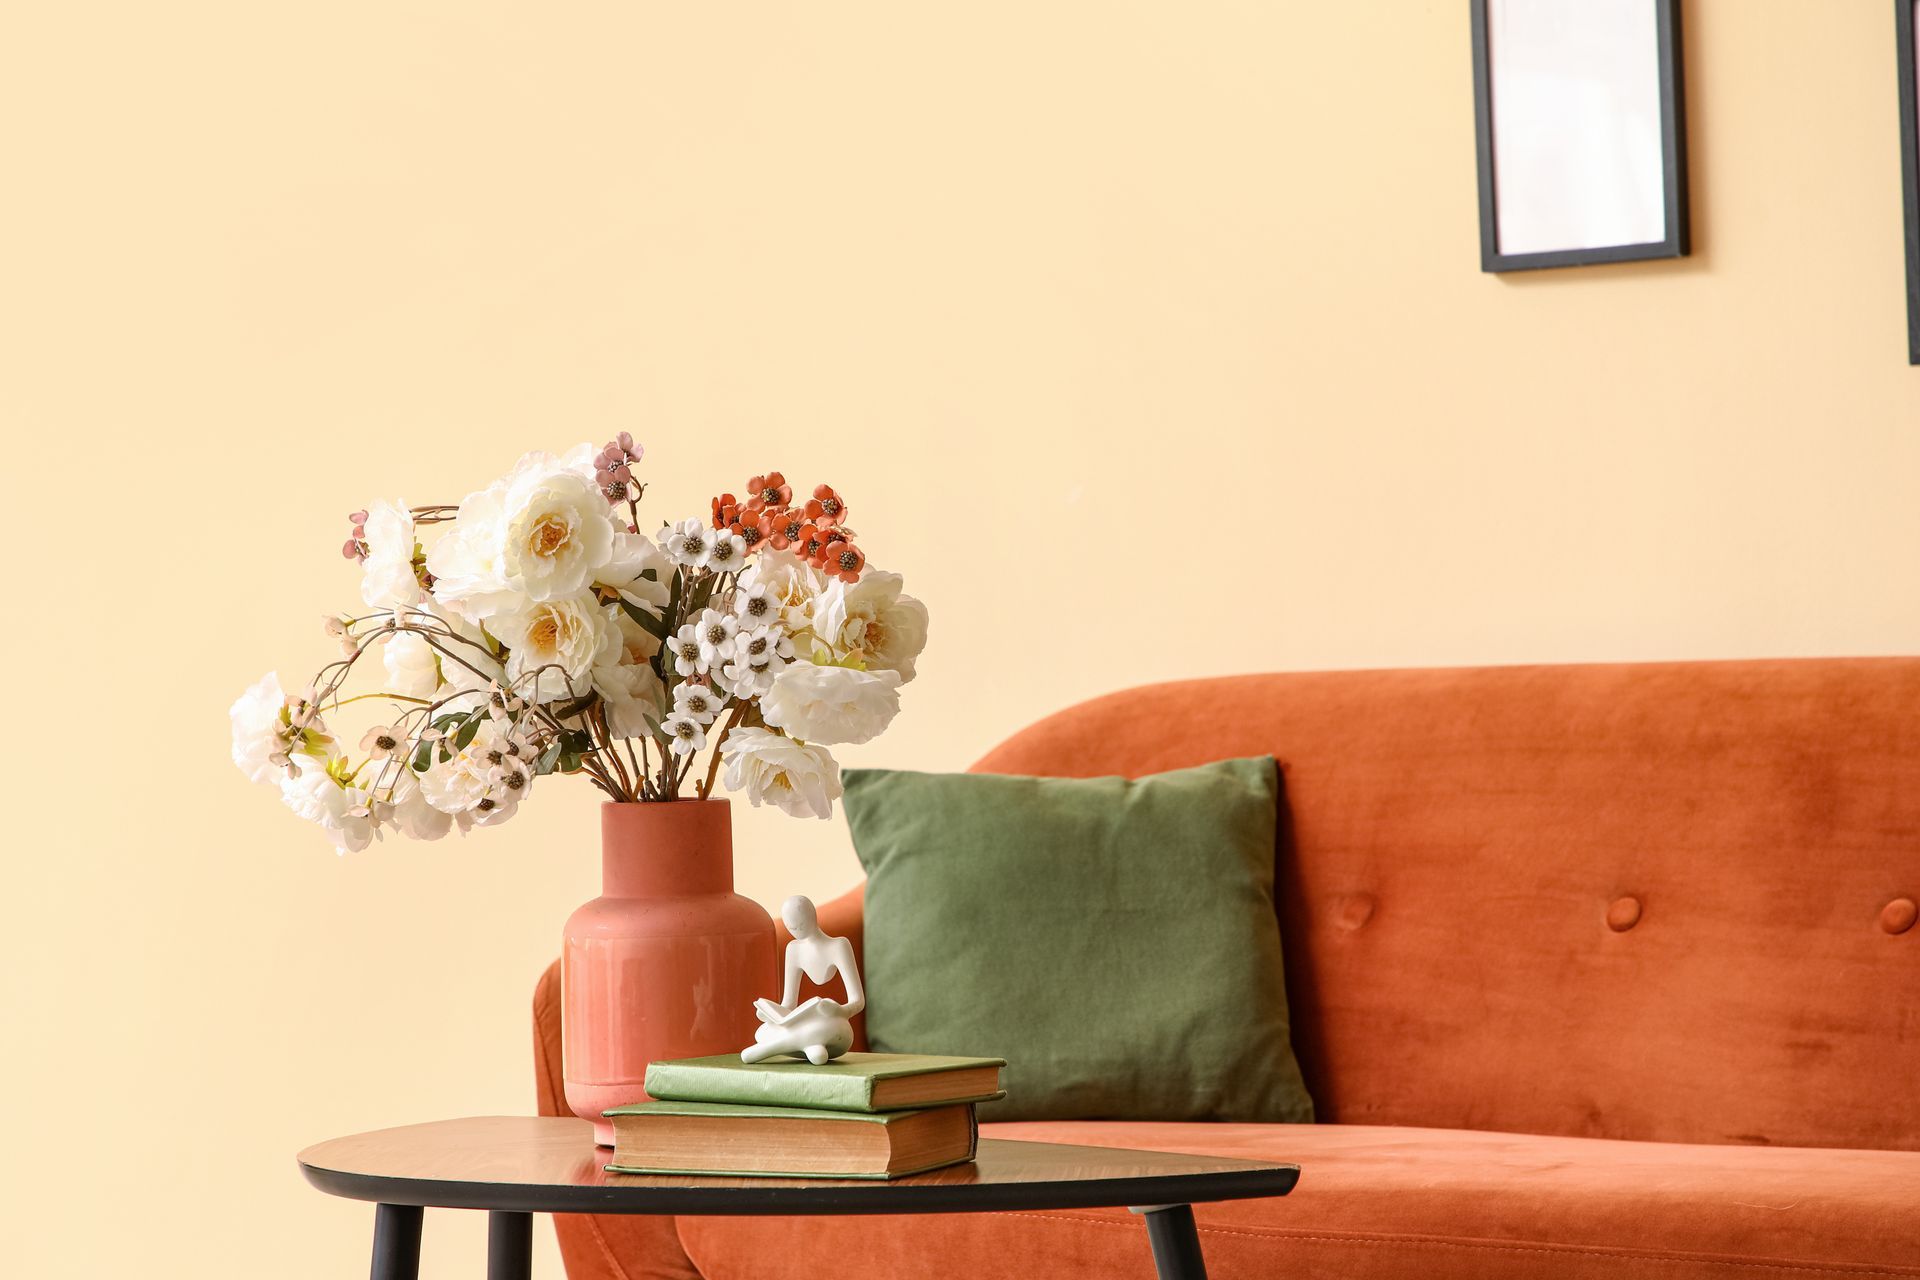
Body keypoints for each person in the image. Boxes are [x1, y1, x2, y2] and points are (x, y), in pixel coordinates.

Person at [740, 895, 865, 1065]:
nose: (795, 932)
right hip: (811, 1030)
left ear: (812, 917)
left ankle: (770, 1049)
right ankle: (813, 1049)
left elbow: (858, 1001)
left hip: (834, 1026)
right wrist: (770, 1013)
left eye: (800, 925)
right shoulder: (793, 949)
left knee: (827, 1026)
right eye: (791, 927)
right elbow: (789, 1005)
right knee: (762, 1031)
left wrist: (838, 1011)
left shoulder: (838, 946)